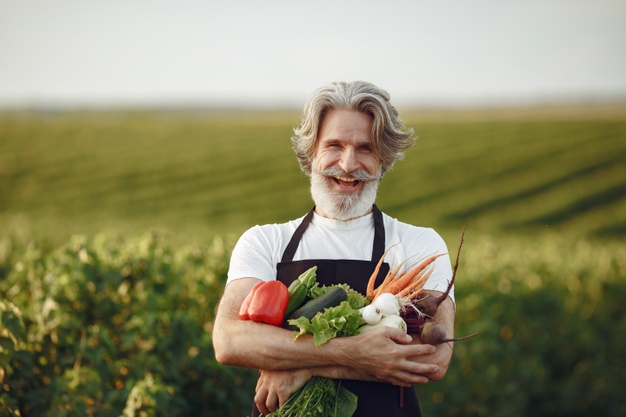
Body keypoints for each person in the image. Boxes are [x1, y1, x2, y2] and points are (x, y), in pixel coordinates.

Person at [213, 81, 455, 417]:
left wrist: (301, 366)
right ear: (311, 151)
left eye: (366, 149)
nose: (347, 163)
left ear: (384, 158)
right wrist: (352, 354)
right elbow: (230, 341)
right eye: (334, 145)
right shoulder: (266, 242)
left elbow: (433, 358)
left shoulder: (419, 244)